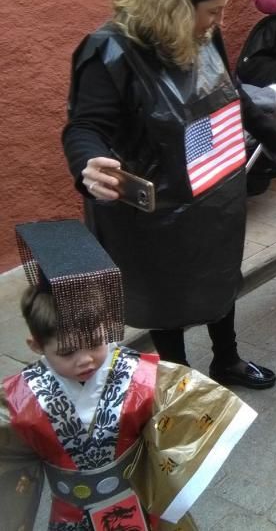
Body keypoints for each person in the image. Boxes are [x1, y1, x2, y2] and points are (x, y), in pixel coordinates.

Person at [63, 0, 276, 388]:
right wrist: (90, 161)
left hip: (214, 193)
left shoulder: (203, 35)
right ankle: (184, 382)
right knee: (167, 297)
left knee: (219, 277)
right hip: (154, 209)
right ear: (176, 5)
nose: (217, 22)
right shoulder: (110, 51)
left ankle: (227, 360)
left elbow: (231, 98)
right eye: (212, 11)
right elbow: (85, 127)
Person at [2, 220, 256, 530]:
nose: (84, 360)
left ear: (107, 327)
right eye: (67, 352)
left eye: (95, 343)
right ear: (36, 345)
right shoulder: (19, 395)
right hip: (70, 513)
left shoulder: (140, 374)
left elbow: (193, 409)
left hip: (139, 502)